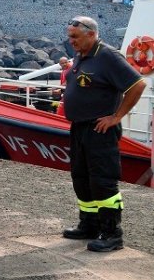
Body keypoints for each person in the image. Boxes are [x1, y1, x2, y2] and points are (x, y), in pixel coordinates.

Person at [62, 16, 146, 252]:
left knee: (102, 182)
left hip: (99, 130)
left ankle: (112, 234)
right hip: (79, 127)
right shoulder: (82, 55)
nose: (71, 41)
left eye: (75, 37)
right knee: (81, 179)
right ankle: (88, 225)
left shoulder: (107, 56)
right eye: (70, 36)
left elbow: (137, 85)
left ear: (91, 34)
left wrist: (116, 117)